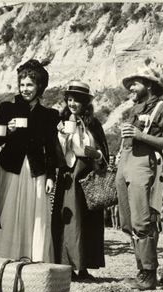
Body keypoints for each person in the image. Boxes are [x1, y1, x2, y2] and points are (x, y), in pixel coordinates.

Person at [0, 59, 61, 262]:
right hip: (10, 167)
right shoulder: (7, 108)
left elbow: (52, 148)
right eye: (22, 84)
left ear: (40, 86)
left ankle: (32, 256)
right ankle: (1, 255)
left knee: (33, 215)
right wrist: (7, 131)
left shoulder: (49, 115)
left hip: (36, 170)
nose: (25, 89)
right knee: (6, 213)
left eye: (30, 85)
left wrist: (51, 176)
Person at [116, 65, 163, 290]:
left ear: (149, 85)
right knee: (128, 221)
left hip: (144, 164)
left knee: (143, 220)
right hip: (125, 162)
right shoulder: (134, 109)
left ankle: (149, 272)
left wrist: (141, 135)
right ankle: (141, 269)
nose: (130, 87)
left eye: (135, 83)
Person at [52, 81, 109, 281]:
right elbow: (57, 152)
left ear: (85, 102)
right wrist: (60, 135)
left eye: (76, 100)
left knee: (89, 221)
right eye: (69, 99)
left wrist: (97, 155)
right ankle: (68, 265)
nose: (72, 104)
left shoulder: (93, 124)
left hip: (88, 174)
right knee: (70, 220)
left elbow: (103, 153)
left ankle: (84, 266)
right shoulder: (61, 121)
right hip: (70, 176)